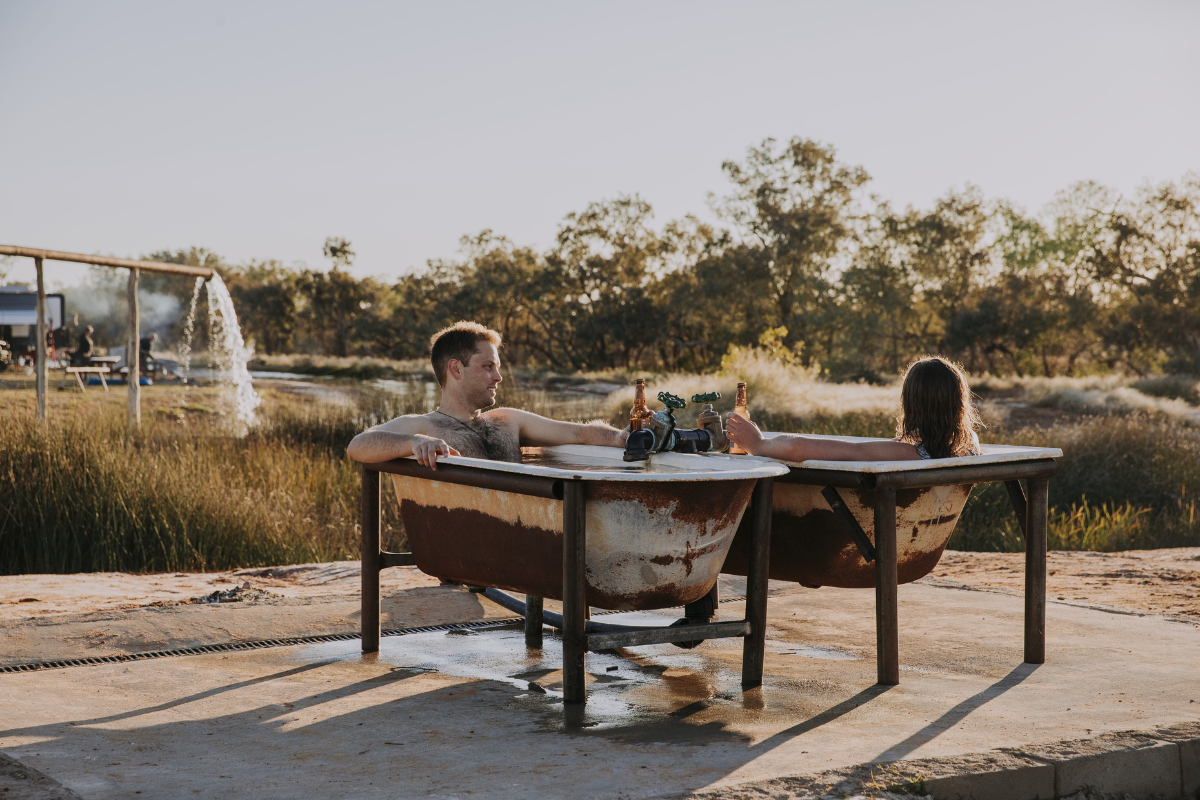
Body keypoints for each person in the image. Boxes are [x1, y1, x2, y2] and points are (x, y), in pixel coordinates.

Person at [347, 321, 628, 468]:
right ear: (456, 369)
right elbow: (358, 446)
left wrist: (619, 438)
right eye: (488, 367)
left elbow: (579, 434)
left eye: (498, 367)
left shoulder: (509, 420)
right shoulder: (424, 426)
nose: (498, 377)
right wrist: (414, 442)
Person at [726, 355, 982, 462]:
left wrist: (758, 444)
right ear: (960, 405)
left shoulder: (909, 455)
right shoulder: (968, 449)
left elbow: (798, 448)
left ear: (911, 405)